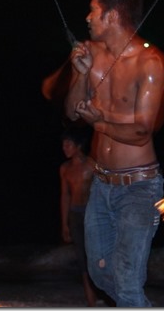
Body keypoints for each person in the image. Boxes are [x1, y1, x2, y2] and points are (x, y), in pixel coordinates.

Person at [64, 0, 164, 307]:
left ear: (112, 15)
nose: (87, 18)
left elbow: (141, 132)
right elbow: (71, 112)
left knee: (125, 282)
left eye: (92, 11)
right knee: (99, 274)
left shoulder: (151, 63)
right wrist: (81, 74)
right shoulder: (91, 55)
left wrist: (102, 123)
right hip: (101, 186)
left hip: (139, 188)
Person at [59, 126, 97, 307]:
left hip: (92, 215)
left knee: (97, 257)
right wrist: (64, 224)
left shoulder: (92, 164)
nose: (64, 148)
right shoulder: (64, 168)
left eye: (68, 144)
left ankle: (109, 296)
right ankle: (91, 303)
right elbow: (65, 196)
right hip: (75, 215)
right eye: (63, 144)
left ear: (78, 146)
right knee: (82, 259)